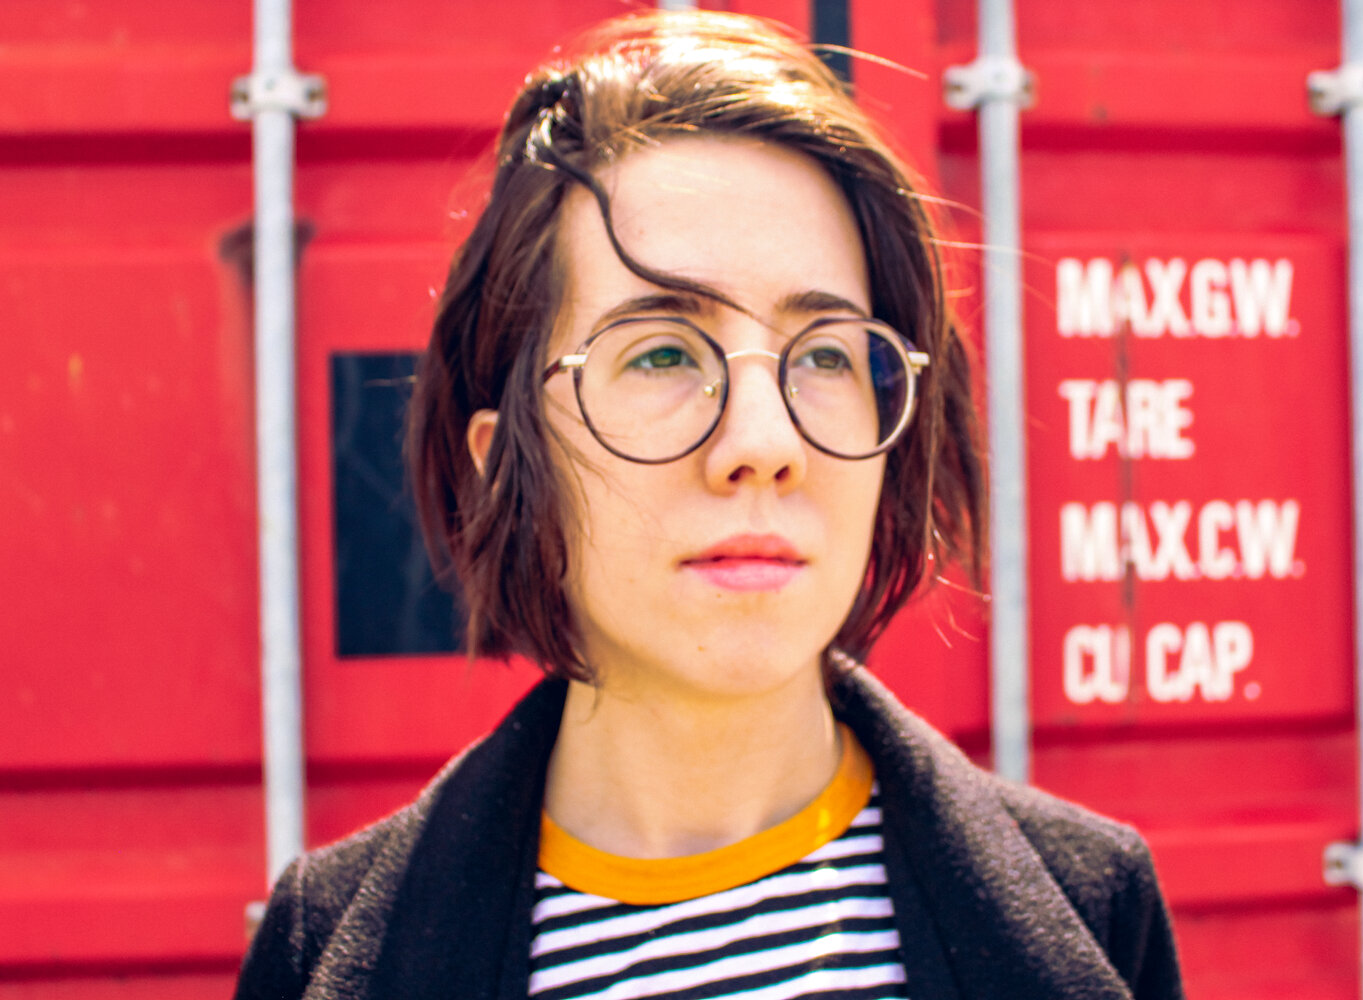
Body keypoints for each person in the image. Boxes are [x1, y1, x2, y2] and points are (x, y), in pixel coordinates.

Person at [233, 10, 1183, 1000]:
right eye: (661, 354)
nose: (766, 444)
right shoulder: (322, 953)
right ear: (502, 466)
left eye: (825, 355)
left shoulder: (1097, 908)